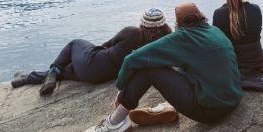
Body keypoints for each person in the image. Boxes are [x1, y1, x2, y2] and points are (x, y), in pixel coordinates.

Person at [83, 2, 243, 132]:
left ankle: (115, 124)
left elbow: (132, 59)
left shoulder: (183, 37)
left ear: (179, 22)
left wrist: (120, 89)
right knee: (180, 62)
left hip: (209, 111)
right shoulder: (215, 31)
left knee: (149, 68)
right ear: (201, 17)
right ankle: (170, 104)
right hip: (232, 101)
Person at [11, 8, 172, 95]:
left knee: (75, 43)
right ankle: (26, 78)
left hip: (94, 63)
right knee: (67, 70)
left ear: (142, 23)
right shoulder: (164, 44)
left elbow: (105, 45)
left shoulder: (132, 32)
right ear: (164, 25)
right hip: (102, 77)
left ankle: (52, 71)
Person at [212, 0, 263, 91]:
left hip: (231, 63)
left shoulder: (218, 14)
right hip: (257, 61)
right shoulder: (255, 9)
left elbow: (217, 42)